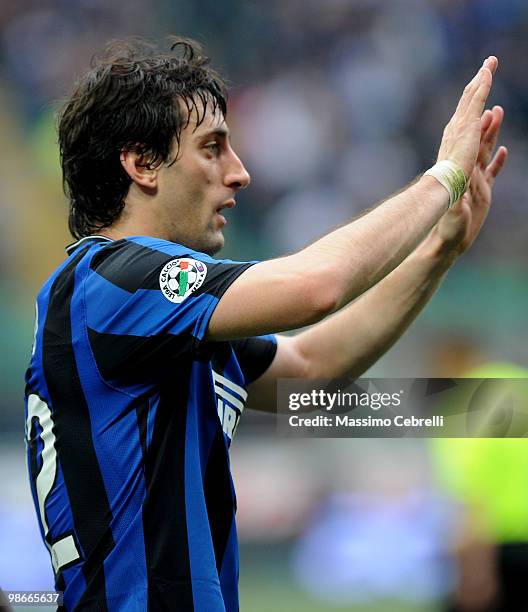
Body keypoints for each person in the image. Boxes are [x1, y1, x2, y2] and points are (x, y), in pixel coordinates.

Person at [24, 36, 507, 611]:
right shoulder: (113, 282)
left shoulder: (156, 318)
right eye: (212, 148)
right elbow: (314, 287)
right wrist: (444, 175)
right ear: (141, 164)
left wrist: (437, 251)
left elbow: (311, 366)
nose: (240, 173)